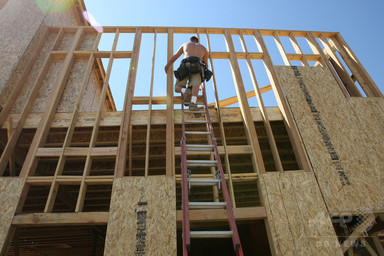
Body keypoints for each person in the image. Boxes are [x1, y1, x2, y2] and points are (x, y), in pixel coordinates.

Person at [164, 36, 208, 114]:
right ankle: (193, 103)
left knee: (177, 87)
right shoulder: (203, 48)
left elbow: (174, 57)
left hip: (186, 64)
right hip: (198, 65)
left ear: (190, 41)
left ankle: (185, 90)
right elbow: (206, 64)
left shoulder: (185, 44)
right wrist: (203, 75)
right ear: (197, 42)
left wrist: (167, 66)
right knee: (196, 84)